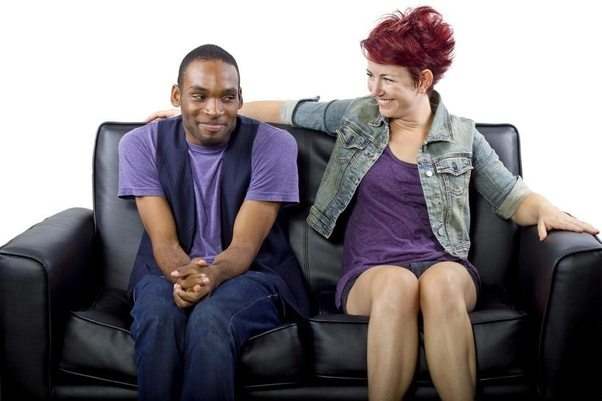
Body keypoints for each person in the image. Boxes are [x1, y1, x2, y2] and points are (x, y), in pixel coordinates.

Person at [147, 8, 599, 401]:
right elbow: (288, 110)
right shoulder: (359, 116)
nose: (375, 88)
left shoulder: (464, 136)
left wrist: (546, 210)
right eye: (370, 75)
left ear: (423, 80)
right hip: (372, 270)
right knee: (396, 284)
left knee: (441, 283)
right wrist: (203, 112)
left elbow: (512, 197)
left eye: (387, 78)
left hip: (443, 262)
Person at [119, 44, 309, 401]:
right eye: (199, 96)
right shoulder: (141, 145)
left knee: (211, 318)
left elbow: (244, 246)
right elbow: (164, 241)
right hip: (165, 271)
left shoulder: (273, 144)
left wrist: (208, 278)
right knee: (158, 317)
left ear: (240, 99)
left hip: (253, 273)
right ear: (177, 96)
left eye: (227, 97)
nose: (214, 109)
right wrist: (186, 278)